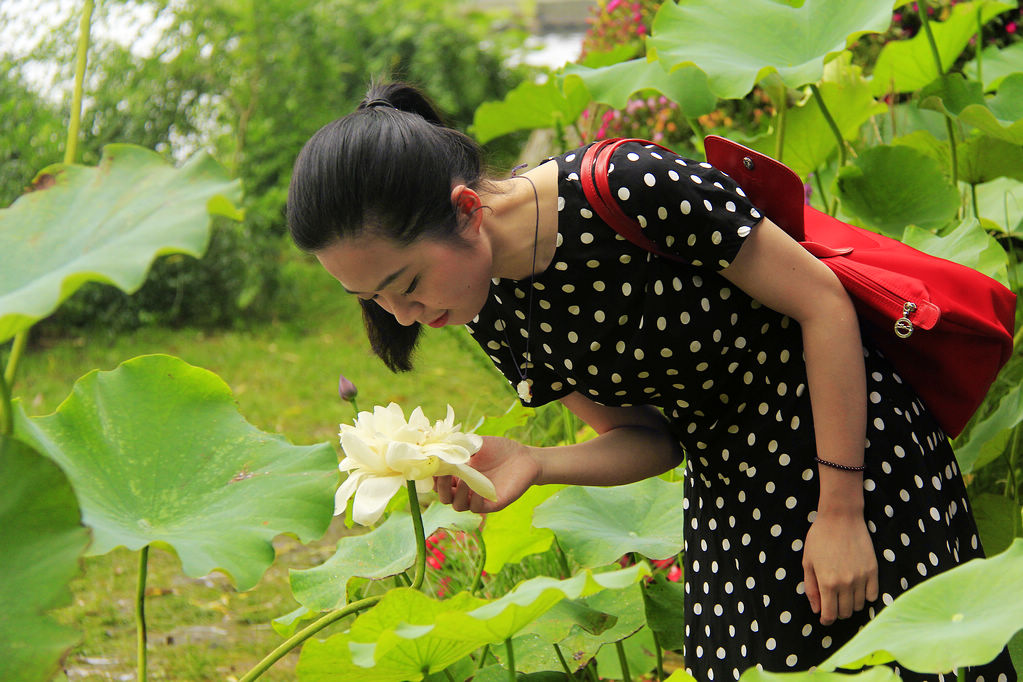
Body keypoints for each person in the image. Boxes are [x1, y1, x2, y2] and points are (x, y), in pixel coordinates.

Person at [287, 82, 1016, 681]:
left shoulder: (626, 188)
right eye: (374, 301)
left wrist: (838, 512)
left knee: (914, 663)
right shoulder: (487, 308)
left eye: (405, 283)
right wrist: (537, 462)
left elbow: (821, 304)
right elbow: (647, 439)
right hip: (729, 490)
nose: (403, 314)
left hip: (850, 450)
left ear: (467, 211)